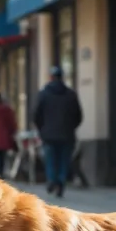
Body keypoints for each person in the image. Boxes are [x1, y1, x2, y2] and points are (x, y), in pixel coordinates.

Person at [34, 65, 83, 197]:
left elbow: (36, 115)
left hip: (48, 135)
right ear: (62, 77)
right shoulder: (71, 94)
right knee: (64, 160)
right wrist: (71, 127)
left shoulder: (43, 94)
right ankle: (61, 181)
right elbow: (79, 116)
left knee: (50, 160)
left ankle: (52, 179)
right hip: (67, 135)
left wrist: (42, 129)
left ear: (51, 77)